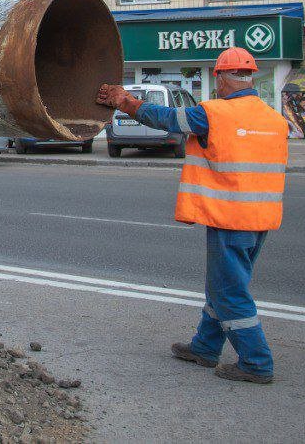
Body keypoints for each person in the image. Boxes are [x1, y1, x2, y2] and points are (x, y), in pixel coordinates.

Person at [96, 47, 288, 384]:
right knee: (223, 286)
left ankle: (256, 362)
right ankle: (205, 347)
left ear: (220, 77)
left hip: (230, 218)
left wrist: (125, 102)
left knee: (229, 292)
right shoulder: (274, 119)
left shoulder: (214, 113)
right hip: (261, 219)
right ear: (250, 77)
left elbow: (168, 119)